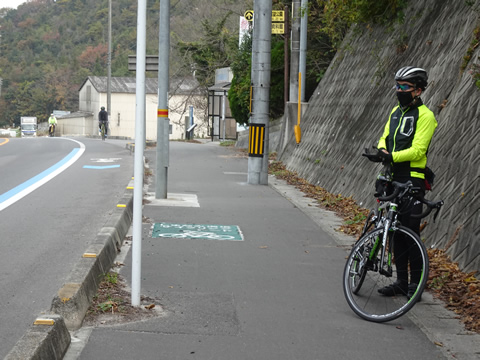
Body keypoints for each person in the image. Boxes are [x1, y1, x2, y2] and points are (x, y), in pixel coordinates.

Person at [375, 66, 437, 299]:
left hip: (412, 178)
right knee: (394, 232)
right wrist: (382, 149)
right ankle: (400, 281)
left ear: (418, 90)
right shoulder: (395, 112)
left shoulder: (426, 116)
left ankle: (416, 285)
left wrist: (391, 156)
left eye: (404, 87)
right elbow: (385, 136)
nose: (399, 90)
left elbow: (419, 150)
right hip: (392, 176)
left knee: (410, 231)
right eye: (397, 86)